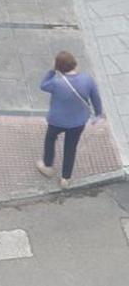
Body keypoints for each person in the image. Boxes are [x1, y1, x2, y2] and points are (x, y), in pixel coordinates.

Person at [37, 51, 104, 187]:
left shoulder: (56, 83)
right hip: (77, 122)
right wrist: (98, 114)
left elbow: (43, 85)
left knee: (50, 139)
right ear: (74, 63)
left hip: (57, 121)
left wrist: (52, 71)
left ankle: (48, 166)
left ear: (59, 67)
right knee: (70, 147)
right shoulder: (87, 79)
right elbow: (95, 98)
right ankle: (65, 178)